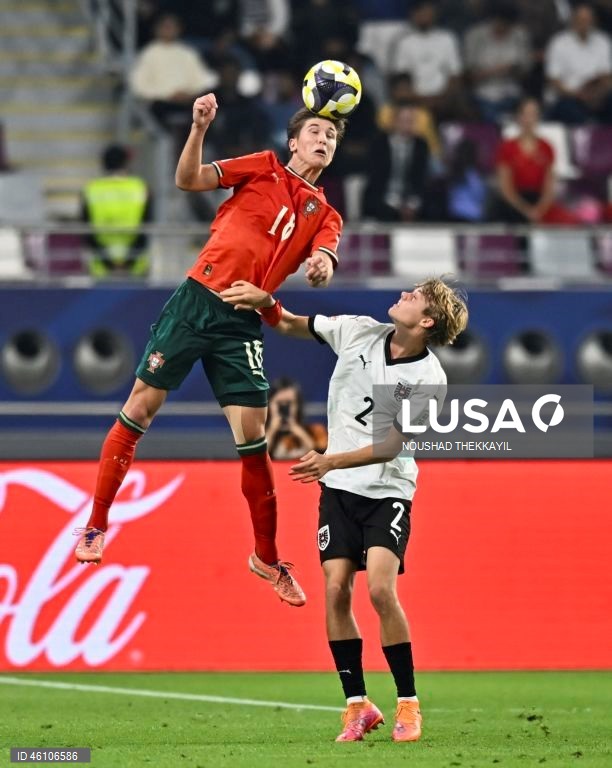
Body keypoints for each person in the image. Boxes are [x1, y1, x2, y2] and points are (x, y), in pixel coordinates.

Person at [74, 92, 346, 610]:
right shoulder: (261, 168)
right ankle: (94, 525)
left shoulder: (325, 213)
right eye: (315, 132)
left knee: (253, 440)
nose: (323, 140)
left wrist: (320, 267)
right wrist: (198, 128)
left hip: (242, 322)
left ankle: (267, 557)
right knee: (139, 408)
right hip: (197, 299)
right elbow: (189, 180)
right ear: (293, 142)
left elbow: (326, 256)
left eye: (331, 136)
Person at [220, 276, 468, 743]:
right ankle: (357, 706)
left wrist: (329, 458)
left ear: (427, 321)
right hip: (338, 489)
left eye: (415, 297)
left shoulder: (428, 377)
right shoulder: (358, 331)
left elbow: (393, 444)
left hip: (388, 490)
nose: (405, 295)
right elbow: (293, 324)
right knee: (335, 589)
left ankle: (408, 704)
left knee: (378, 588)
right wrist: (265, 303)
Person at [491, 98, 579, 224]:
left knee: (567, 220)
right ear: (518, 117)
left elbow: (549, 186)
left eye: (533, 114)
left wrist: (539, 209)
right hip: (515, 203)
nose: (529, 119)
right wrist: (526, 210)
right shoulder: (507, 148)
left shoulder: (546, 147)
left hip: (539, 201)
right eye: (525, 114)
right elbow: (506, 188)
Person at [129, 13, 219, 132]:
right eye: (165, 27)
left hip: (187, 101)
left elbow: (202, 79)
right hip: (161, 102)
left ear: (178, 29)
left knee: (208, 108)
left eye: (172, 27)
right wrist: (168, 95)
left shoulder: (187, 53)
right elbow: (139, 85)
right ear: (157, 29)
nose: (169, 30)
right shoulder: (149, 54)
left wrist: (188, 94)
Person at [81, 144, 152, 278]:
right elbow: (146, 228)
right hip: (136, 266)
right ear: (126, 162)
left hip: (100, 267)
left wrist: (107, 263)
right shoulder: (140, 187)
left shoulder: (91, 189)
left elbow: (86, 231)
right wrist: (129, 262)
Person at [545, 3, 612, 124]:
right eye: (580, 20)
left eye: (587, 20)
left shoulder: (603, 41)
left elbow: (607, 77)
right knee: (568, 108)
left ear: (594, 21)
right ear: (573, 20)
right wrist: (578, 95)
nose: (584, 24)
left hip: (597, 96)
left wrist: (597, 95)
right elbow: (553, 80)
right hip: (569, 96)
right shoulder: (559, 43)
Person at [363, 104, 430, 222]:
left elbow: (421, 177)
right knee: (380, 208)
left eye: (410, 121)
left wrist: (412, 204)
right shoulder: (380, 143)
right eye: (403, 120)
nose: (407, 125)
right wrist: (395, 203)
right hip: (384, 196)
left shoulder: (421, 145)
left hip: (411, 199)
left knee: (431, 208)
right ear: (394, 121)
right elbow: (376, 176)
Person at [266, 376, 327, 459]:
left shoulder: (315, 431)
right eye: (279, 403)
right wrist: (271, 431)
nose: (284, 409)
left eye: (289, 403)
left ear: (298, 405)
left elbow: (319, 459)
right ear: (269, 405)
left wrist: (298, 431)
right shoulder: (259, 434)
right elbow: (258, 458)